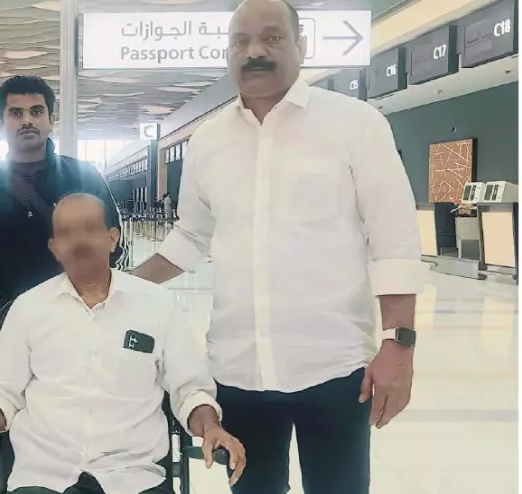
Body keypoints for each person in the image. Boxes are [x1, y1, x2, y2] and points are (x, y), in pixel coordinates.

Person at [133, 1, 427, 493]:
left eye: (272, 37)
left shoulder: (356, 124)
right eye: (240, 41)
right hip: (238, 371)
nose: (255, 51)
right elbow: (191, 236)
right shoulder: (209, 141)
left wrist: (399, 344)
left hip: (335, 369)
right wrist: (121, 285)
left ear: (300, 46)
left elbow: (393, 240)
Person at [0, 193, 246, 494]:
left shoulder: (158, 306)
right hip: (44, 475)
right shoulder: (28, 309)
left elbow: (190, 389)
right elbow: (3, 397)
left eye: (90, 229)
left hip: (135, 476)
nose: (79, 241)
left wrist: (211, 427)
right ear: (55, 248)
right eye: (66, 233)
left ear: (113, 238)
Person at [0, 75, 126, 368]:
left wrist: (89, 302)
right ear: (1, 123)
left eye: (36, 111)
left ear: (50, 119)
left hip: (83, 326)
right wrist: (6, 313)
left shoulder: (83, 176)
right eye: (16, 113)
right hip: (6, 330)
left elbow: (116, 246)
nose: (27, 121)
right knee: (10, 398)